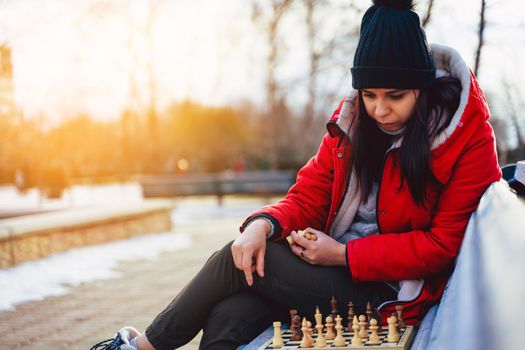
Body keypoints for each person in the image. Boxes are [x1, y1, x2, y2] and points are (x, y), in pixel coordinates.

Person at [91, 0, 501, 349]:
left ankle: (142, 344)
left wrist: (342, 254)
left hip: (393, 292)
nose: (379, 110)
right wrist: (263, 225)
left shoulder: (465, 137)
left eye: (395, 96)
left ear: (423, 87)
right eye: (370, 94)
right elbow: (308, 194)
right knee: (226, 316)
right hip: (325, 270)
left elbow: (441, 246)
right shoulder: (352, 126)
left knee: (234, 265)